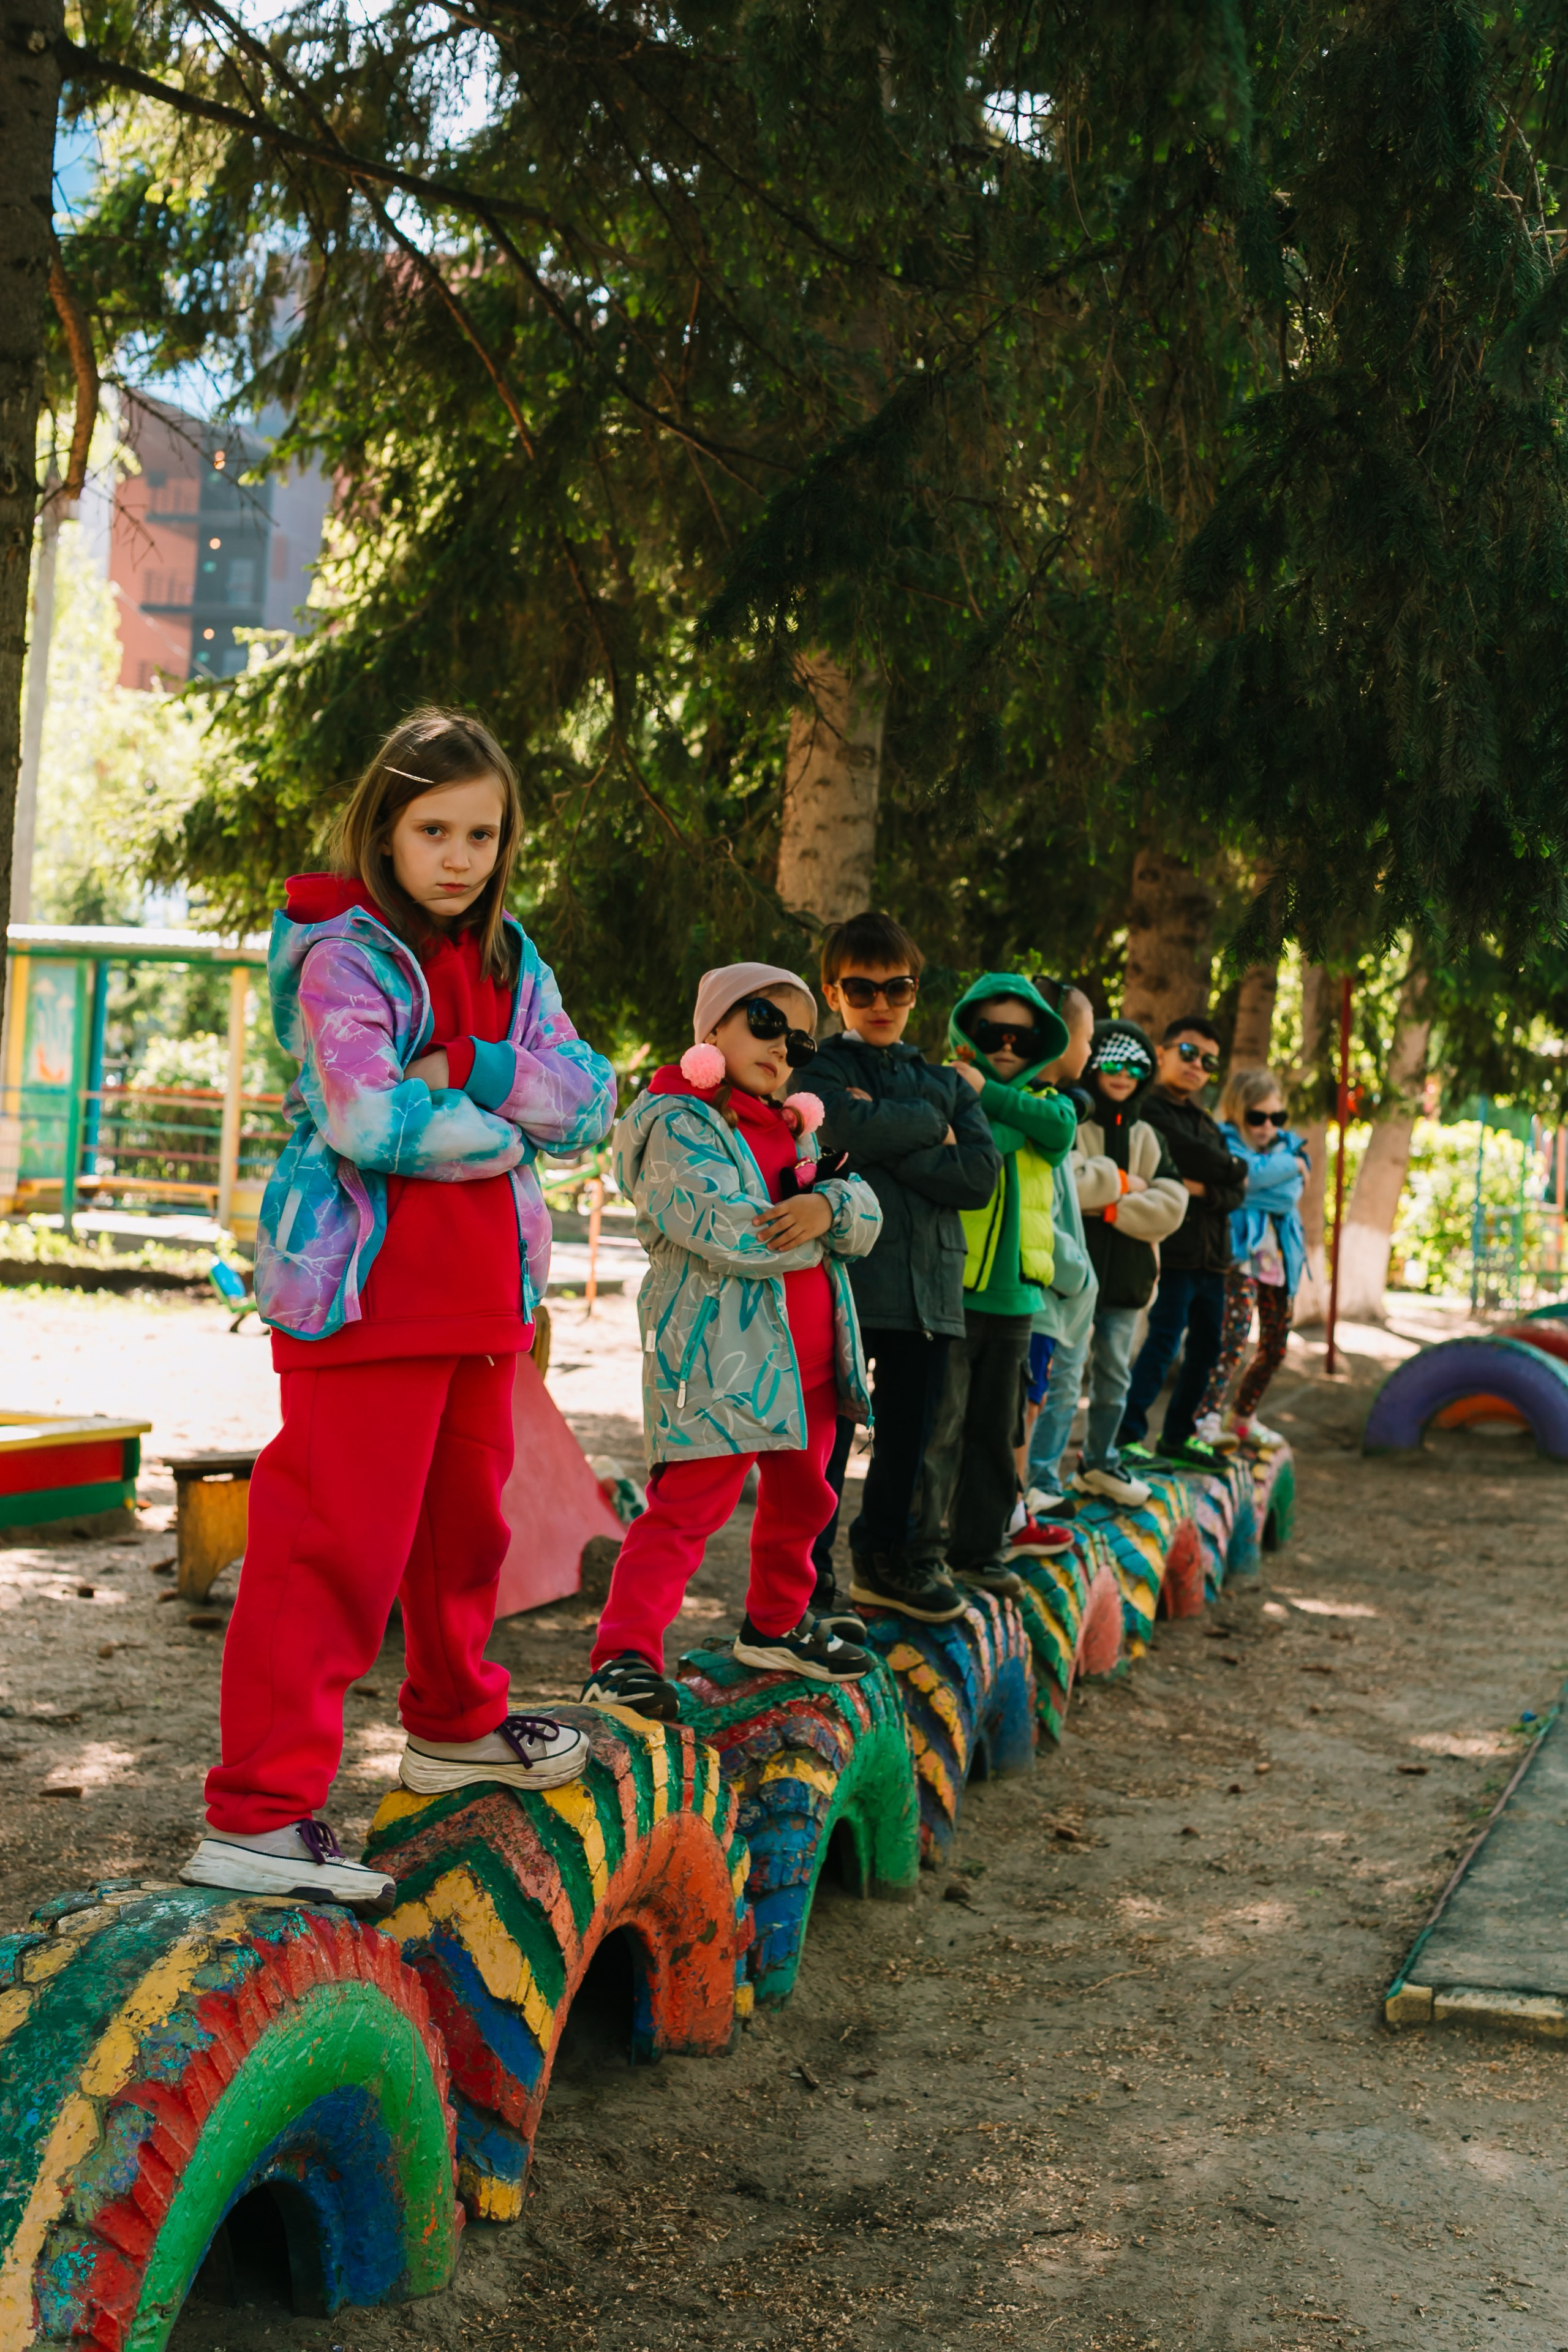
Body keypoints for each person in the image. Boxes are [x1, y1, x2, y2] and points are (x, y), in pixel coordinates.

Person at [184, 707, 617, 1909]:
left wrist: (473, 1068)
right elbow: (366, 1119)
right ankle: (257, 1818)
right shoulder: (347, 952)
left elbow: (589, 1101)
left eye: (482, 832)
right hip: (363, 1301)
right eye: (432, 829)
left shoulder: (511, 959)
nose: (459, 856)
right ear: (384, 829)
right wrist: (504, 1132)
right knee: (328, 1549)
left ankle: (454, 1726)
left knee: (457, 1534)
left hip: (481, 1301)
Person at [581, 963, 884, 1720]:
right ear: (711, 1030)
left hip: (810, 1364)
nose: (783, 1047)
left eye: (800, 1040)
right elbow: (734, 1232)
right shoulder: (676, 1120)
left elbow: (866, 1215)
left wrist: (831, 1209)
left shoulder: (791, 1124)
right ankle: (621, 1654)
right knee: (686, 1510)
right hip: (722, 1366)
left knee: (804, 1501)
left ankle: (776, 1624)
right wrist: (824, 1220)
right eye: (764, 1022)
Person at [791, 913, 1000, 1624]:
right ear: (833, 991)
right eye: (861, 988)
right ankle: (805, 1591)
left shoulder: (948, 1081)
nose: (880, 1003)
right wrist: (923, 1131)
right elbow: (838, 1130)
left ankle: (887, 1565)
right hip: (848, 1283)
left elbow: (977, 1177)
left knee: (913, 1439)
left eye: (898, 988)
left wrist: (883, 1133)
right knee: (826, 1446)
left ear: (916, 993)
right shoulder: (818, 1069)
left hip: (929, 1290)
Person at [912, 974, 1079, 1593]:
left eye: (1021, 1034)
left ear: (1041, 1040)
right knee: (941, 1428)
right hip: (953, 1291)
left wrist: (991, 1104)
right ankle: (922, 1551)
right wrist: (996, 1116)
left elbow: (1057, 1131)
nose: (1006, 1044)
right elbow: (959, 1145)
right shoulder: (944, 1089)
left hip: (1016, 1300)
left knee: (995, 1430)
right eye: (991, 1033)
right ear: (968, 1032)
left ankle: (980, 1550)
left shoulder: (1052, 1101)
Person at [1064, 1020, 1190, 1504]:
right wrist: (1126, 1183)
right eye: (1111, 1063)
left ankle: (1101, 1460)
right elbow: (1069, 1189)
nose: (1122, 1074)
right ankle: (1041, 1478)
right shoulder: (1073, 1122)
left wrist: (1110, 1206)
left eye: (1134, 1066)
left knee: (1115, 1376)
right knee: (1062, 1381)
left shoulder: (1149, 1137)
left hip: (1130, 1283)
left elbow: (1172, 1206)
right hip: (1074, 1280)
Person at [1117, 1015, 1248, 1472]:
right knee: (1163, 1345)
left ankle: (1178, 1437)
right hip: (1174, 1255)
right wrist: (1229, 1168)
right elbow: (1195, 1158)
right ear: (1163, 1053)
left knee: (1208, 1350)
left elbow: (1236, 1192)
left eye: (1209, 1061)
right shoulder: (1150, 1109)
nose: (1198, 1067)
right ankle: (1128, 1438)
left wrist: (1209, 1186)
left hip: (1214, 1261)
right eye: (1189, 1054)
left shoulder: (1205, 1119)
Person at [1191, 1067, 1309, 1450]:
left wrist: (1249, 1182)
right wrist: (1288, 1168)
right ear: (1238, 1112)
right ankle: (1205, 1417)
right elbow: (1238, 1186)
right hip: (1239, 1259)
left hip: (1279, 1262)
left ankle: (1242, 1416)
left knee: (1275, 1347)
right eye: (1258, 1117)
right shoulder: (1224, 1142)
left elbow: (1286, 1197)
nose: (1268, 1126)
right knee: (1232, 1340)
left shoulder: (1286, 1144)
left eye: (1277, 1117)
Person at [1021, 988, 1099, 1512]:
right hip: (1043, 1296)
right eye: (1088, 1038)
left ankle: (1031, 1494)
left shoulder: (1055, 1110)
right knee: (1027, 1410)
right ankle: (1020, 1499)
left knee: (1043, 1401)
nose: (1091, 1051)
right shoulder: (1035, 1116)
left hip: (1058, 1296)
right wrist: (1079, 1274)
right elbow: (1038, 1214)